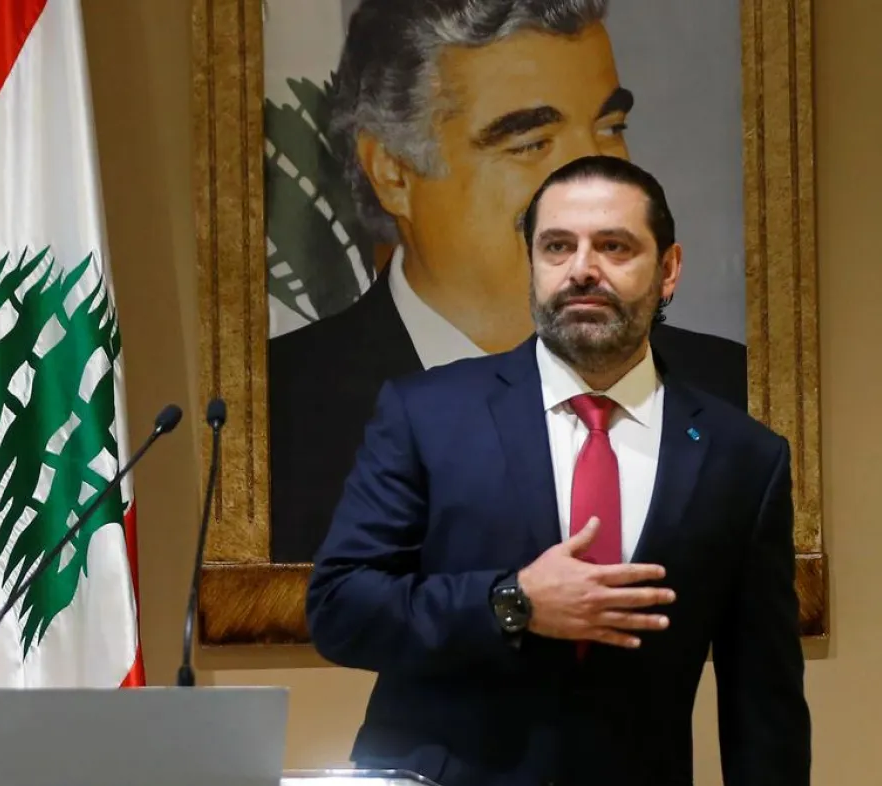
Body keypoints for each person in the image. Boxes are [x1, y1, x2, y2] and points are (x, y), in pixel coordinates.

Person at [306, 155, 810, 786]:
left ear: (669, 269)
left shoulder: (740, 458)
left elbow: (763, 703)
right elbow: (342, 607)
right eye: (558, 246)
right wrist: (511, 604)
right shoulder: (429, 415)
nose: (583, 267)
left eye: (614, 245)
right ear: (533, 265)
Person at [268, 0, 746, 563]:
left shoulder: (727, 392)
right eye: (530, 144)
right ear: (393, 172)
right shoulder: (277, 415)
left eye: (609, 127)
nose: (596, 180)